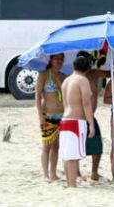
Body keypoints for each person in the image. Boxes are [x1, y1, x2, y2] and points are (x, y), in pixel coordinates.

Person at [59, 55, 96, 187]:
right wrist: (91, 124)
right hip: (76, 121)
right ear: (88, 67)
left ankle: (70, 182)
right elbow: (86, 103)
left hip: (65, 119)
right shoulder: (82, 80)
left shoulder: (66, 81)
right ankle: (72, 184)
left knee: (67, 153)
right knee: (73, 154)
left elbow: (64, 103)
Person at [76, 50, 111, 181]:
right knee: (77, 145)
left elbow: (111, 73)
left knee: (97, 145)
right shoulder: (75, 77)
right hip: (78, 116)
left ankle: (94, 172)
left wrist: (106, 59)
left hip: (91, 115)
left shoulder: (95, 74)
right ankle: (77, 173)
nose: (88, 64)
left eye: (90, 61)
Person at [35, 53, 66, 182]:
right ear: (51, 59)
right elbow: (37, 95)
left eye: (61, 59)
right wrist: (40, 115)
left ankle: (53, 173)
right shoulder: (43, 75)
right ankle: (45, 174)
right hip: (47, 114)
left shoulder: (63, 76)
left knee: (56, 146)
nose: (59, 61)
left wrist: (59, 81)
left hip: (62, 115)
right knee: (46, 145)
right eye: (56, 58)